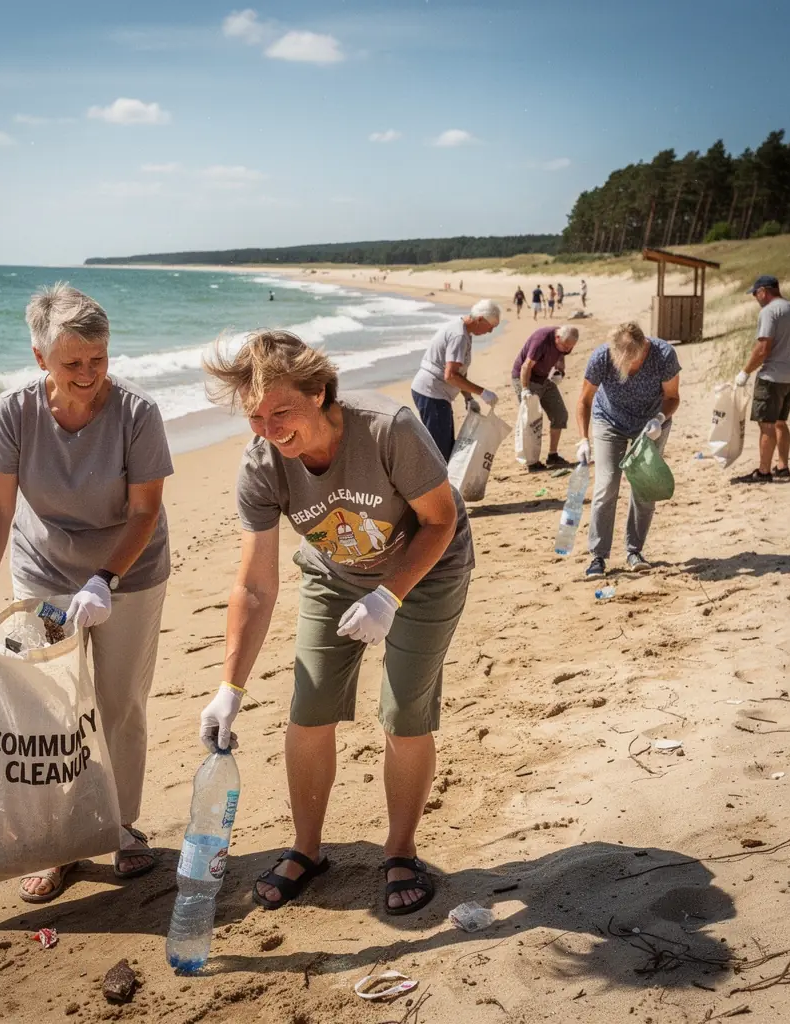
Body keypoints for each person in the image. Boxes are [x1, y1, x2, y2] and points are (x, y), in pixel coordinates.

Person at [198, 331, 474, 916]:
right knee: (309, 708)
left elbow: (440, 519)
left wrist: (389, 597)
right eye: (256, 417)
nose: (271, 430)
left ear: (320, 392)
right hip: (335, 573)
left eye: (283, 412)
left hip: (426, 570)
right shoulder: (262, 465)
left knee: (403, 713)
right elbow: (254, 584)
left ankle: (399, 852)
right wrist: (230, 687)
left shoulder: (388, 428)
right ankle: (307, 848)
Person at [0, 284, 173, 902]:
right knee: (49, 710)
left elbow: (145, 511)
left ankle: (121, 825)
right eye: (72, 362)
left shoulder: (137, 413)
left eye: (98, 359)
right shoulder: (14, 412)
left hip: (128, 571)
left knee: (117, 701)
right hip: (44, 571)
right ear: (40, 358)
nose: (89, 374)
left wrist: (105, 579)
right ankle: (55, 841)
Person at [575, 321, 680, 577]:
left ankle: (634, 550)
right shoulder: (602, 356)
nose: (626, 365)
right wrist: (583, 440)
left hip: (651, 422)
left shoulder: (663, 355)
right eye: (621, 359)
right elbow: (585, 399)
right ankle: (598, 556)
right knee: (607, 484)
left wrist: (659, 419)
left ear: (644, 346)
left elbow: (673, 397)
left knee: (644, 487)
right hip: (609, 421)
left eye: (631, 360)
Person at [732, 275, 790, 484]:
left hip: (772, 376)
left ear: (763, 291)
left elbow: (763, 348)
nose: (755, 298)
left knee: (767, 425)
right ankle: (782, 467)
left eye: (755, 294)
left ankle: (764, 471)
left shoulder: (768, 312)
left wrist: (745, 372)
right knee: (781, 422)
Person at [409, 300, 501, 461]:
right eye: (491, 326)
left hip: (435, 393)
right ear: (479, 319)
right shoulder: (459, 336)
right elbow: (450, 375)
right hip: (431, 392)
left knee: (445, 445)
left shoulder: (464, 331)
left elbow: (460, 372)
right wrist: (482, 392)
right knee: (441, 451)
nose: (491, 331)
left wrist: (469, 397)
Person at [511, 325, 580, 471]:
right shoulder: (541, 339)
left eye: (570, 347)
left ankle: (552, 456)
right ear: (557, 338)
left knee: (560, 415)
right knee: (531, 421)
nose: (568, 349)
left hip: (544, 378)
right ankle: (531, 462)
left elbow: (561, 355)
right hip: (526, 378)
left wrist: (560, 370)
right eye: (565, 346)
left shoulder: (566, 341)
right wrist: (525, 390)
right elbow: (526, 366)